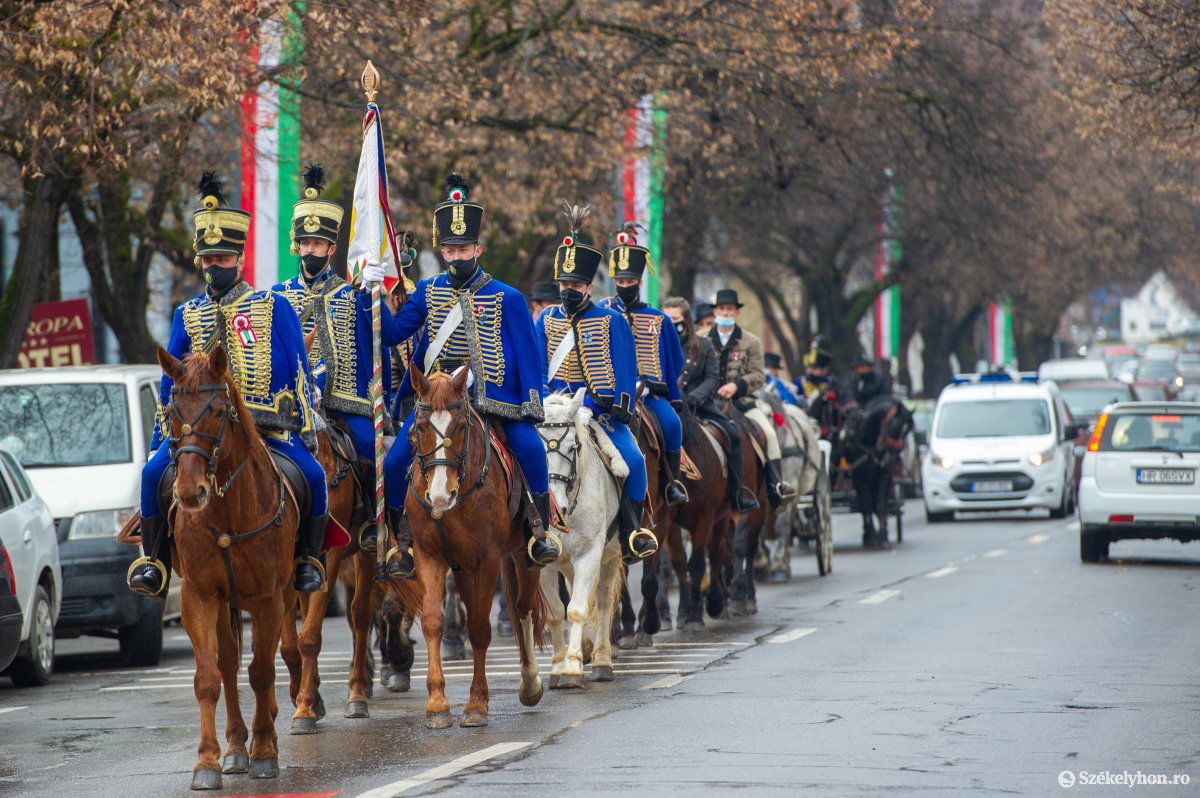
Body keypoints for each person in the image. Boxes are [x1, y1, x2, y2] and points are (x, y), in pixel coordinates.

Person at [128, 171, 328, 596]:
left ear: (238, 259)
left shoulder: (272, 306)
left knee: (312, 476)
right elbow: (171, 385)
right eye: (207, 259)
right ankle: (155, 563)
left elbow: (299, 370)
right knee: (150, 476)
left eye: (222, 259)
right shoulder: (186, 313)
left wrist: (306, 431)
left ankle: (309, 560)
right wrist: (163, 438)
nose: (214, 266)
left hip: (266, 426)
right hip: (199, 430)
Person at [378, 173, 559, 578]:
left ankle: (538, 531)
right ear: (442, 251)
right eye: (450, 249)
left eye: (463, 249)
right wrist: (372, 292)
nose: (457, 256)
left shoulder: (508, 297)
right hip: (439, 401)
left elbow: (529, 357)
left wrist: (529, 404)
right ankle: (401, 542)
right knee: (393, 464)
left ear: (478, 248)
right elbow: (392, 334)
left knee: (530, 449)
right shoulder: (427, 290)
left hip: (496, 400)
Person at [272, 163, 409, 551]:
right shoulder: (276, 297)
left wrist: (376, 298)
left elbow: (383, 345)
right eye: (305, 244)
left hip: (347, 405)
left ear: (332, 248)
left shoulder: (354, 295)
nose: (310, 251)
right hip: (291, 409)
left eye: (318, 245)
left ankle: (384, 528)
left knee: (374, 451)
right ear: (296, 245)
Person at [535, 203, 658, 564]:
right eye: (564, 284)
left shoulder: (610, 321)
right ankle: (531, 529)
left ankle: (632, 531)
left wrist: (611, 405)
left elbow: (625, 370)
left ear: (589, 286)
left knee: (634, 461)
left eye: (575, 284)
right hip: (553, 412)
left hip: (600, 414)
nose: (568, 290)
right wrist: (546, 403)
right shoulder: (545, 319)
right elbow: (537, 367)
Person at [598, 223, 688, 505]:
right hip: (609, 393)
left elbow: (676, 359)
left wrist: (656, 387)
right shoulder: (600, 312)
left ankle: (672, 482)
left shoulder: (659, 319)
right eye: (620, 281)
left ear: (639, 281)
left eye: (630, 282)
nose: (625, 286)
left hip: (649, 394)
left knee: (672, 424)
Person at [662, 297, 759, 512]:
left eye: (675, 319)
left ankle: (737, 493)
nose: (671, 323)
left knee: (732, 434)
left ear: (686, 320)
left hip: (699, 404)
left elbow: (712, 378)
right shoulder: (656, 345)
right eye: (667, 319)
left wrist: (695, 397)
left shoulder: (703, 345)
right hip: (666, 403)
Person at [708, 288, 796, 507]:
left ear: (736, 313)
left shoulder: (751, 341)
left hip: (741, 402)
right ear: (715, 311)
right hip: (707, 401)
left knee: (769, 432)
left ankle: (775, 483)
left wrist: (736, 386)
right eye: (721, 309)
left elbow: (758, 376)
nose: (726, 313)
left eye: (730, 309)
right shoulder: (702, 339)